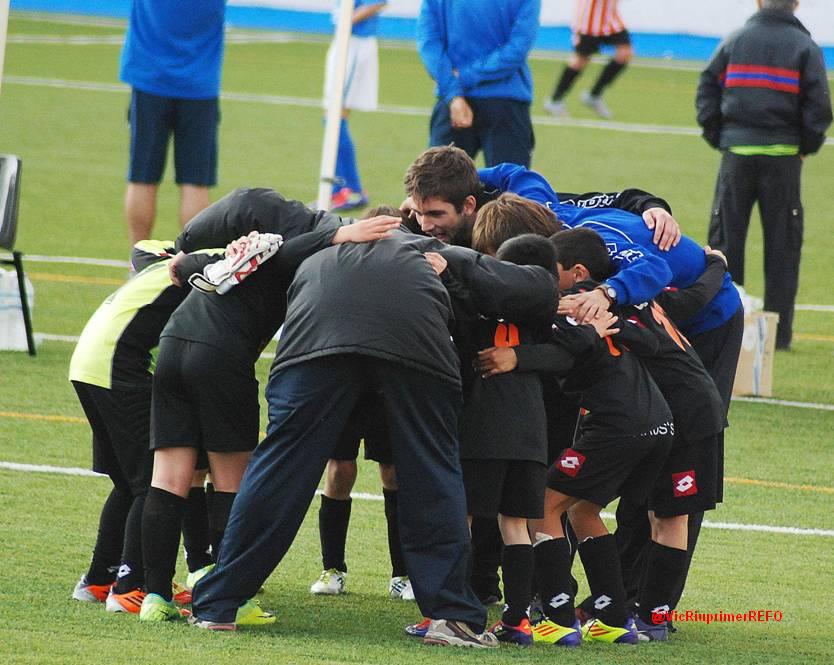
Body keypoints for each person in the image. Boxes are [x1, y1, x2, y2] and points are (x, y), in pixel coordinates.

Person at [189, 228, 559, 648]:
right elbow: (534, 287)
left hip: (315, 339)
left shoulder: (316, 254)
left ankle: (218, 604)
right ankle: (452, 617)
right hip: (412, 339)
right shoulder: (429, 249)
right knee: (431, 470)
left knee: (279, 469)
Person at [137, 189, 400, 623]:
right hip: (219, 356)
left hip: (173, 345)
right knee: (231, 483)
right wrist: (341, 235)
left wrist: (189, 261)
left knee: (168, 479)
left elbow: (183, 267)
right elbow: (282, 255)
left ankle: (155, 596)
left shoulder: (253, 248)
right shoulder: (294, 249)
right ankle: (230, 598)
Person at [478, 232, 673, 646]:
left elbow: (562, 356)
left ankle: (559, 618)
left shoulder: (560, 310)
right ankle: (614, 618)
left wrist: (518, 357)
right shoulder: (594, 300)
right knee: (584, 510)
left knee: (542, 506)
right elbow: (652, 341)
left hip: (616, 424)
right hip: (657, 421)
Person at [68, 243, 222, 613]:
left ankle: (100, 579)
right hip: (116, 366)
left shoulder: (167, 261)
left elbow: (141, 250)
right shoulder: (215, 261)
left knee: (128, 482)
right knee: (153, 481)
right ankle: (129, 586)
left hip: (89, 363)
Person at [696, 0, 832, 350]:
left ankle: (726, 330)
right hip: (784, 159)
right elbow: (819, 106)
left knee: (725, 246)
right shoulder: (805, 46)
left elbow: (707, 87)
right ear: (796, 4)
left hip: (737, 157)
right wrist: (804, 146)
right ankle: (779, 335)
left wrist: (721, 136)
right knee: (783, 247)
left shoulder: (735, 40)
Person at [119, 0, 226, 247]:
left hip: (149, 78)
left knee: (142, 177)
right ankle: (192, 258)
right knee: (195, 182)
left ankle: (138, 259)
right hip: (199, 84)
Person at [416, 0, 540, 167]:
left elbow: (428, 42)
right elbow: (518, 47)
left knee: (438, 181)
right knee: (509, 182)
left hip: (454, 102)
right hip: (506, 101)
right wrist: (463, 79)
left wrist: (454, 90)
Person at [324, 1, 387, 211]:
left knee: (334, 117)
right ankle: (344, 189)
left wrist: (347, 20)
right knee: (332, 117)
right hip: (346, 40)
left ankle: (349, 189)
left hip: (354, 43)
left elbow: (378, 2)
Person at [543, 0, 633, 119]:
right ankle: (555, 100)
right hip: (589, 20)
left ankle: (594, 95)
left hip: (610, 19)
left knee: (624, 53)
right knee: (580, 60)